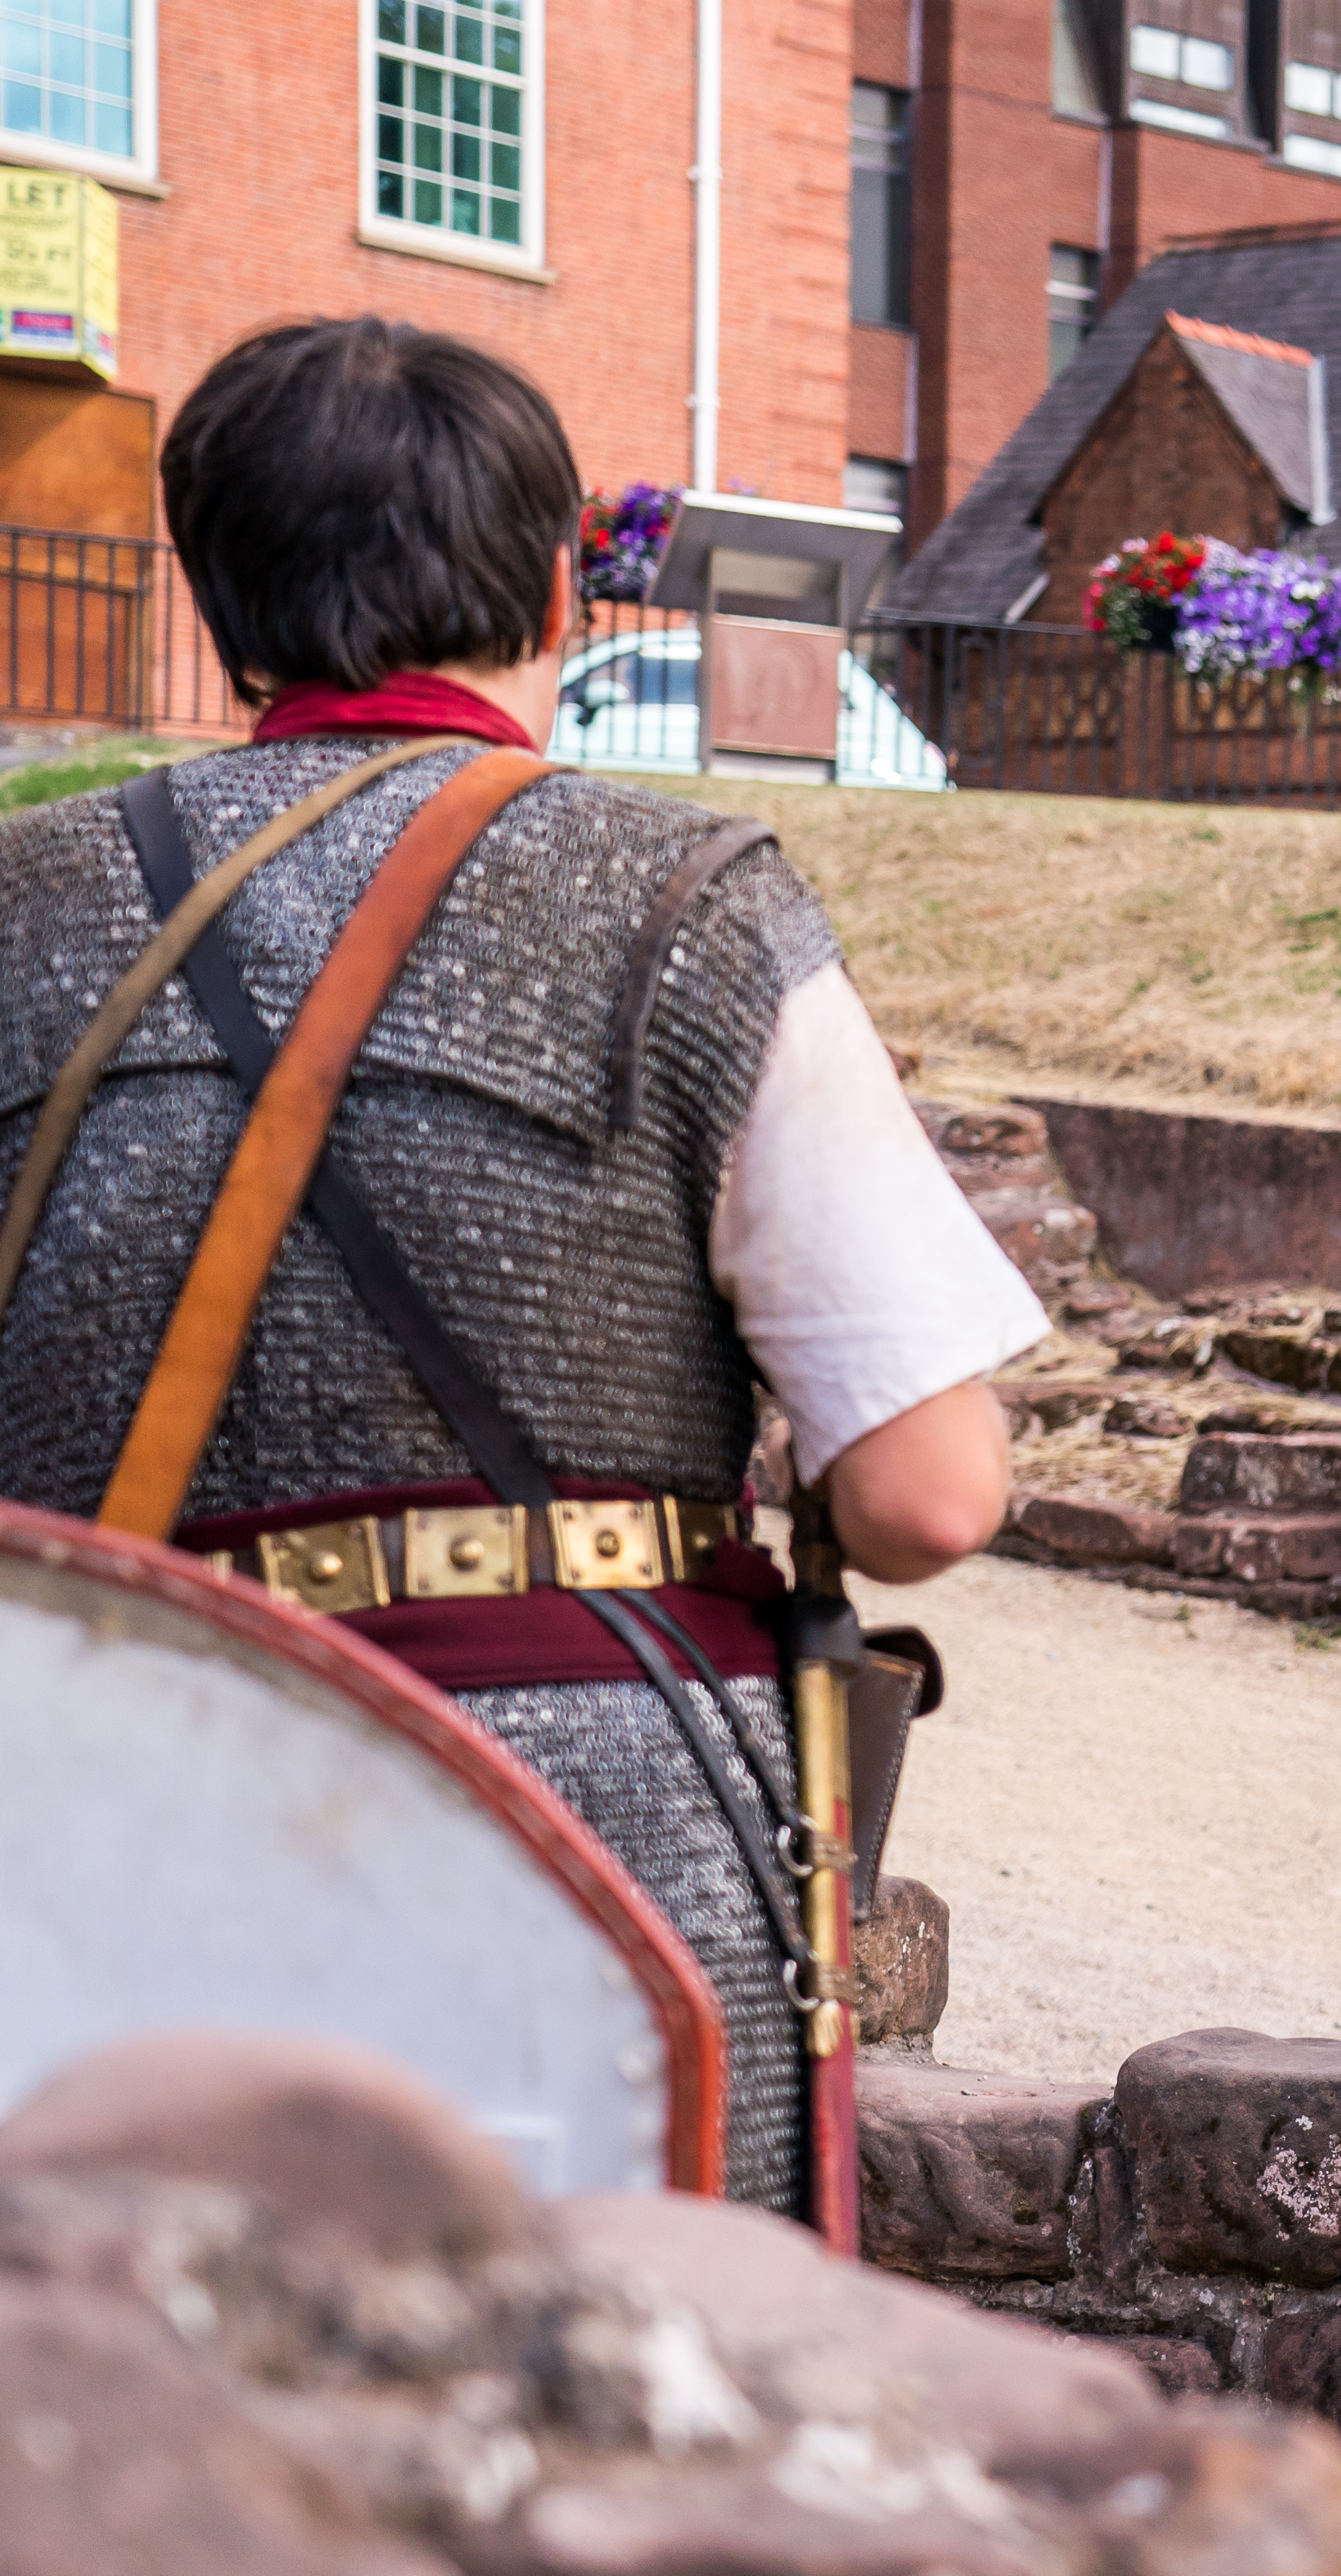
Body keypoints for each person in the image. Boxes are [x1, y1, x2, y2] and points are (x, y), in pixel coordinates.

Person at [0, 319, 1049, 2217]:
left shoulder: (18, 908)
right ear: (563, 581)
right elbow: (928, 1491)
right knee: (600, 2457)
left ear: (211, 583)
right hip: (582, 1828)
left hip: (95, 1810)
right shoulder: (688, 906)